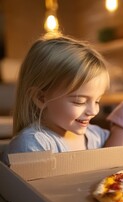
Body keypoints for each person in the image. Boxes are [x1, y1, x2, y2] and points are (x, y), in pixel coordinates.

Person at [2, 35, 110, 165]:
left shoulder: (97, 136)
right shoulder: (33, 146)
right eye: (79, 101)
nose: (93, 111)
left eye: (97, 101)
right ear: (40, 98)